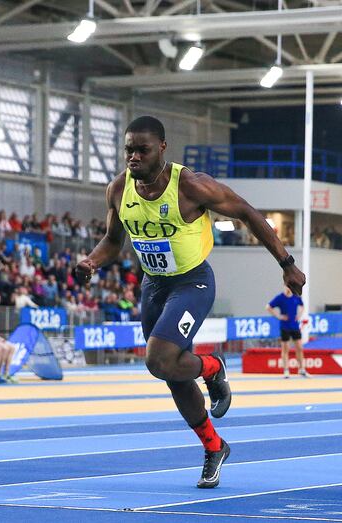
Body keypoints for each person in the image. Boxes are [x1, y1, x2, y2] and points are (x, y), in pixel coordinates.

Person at [75, 116, 305, 489]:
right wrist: (91, 261)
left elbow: (247, 211)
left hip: (192, 282)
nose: (133, 158)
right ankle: (214, 447)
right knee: (170, 371)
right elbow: (113, 241)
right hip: (154, 286)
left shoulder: (192, 186)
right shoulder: (118, 189)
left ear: (162, 149)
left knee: (158, 358)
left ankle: (213, 367)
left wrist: (287, 264)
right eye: (128, 150)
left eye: (142, 150)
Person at [266, 286, 310, 379]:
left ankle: (301, 369)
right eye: (287, 286)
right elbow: (268, 307)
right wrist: (278, 316)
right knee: (285, 349)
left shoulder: (296, 297)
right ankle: (286, 370)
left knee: (299, 347)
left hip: (295, 326)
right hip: (285, 327)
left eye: (290, 287)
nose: (289, 289)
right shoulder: (280, 298)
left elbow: (302, 306)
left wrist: (299, 315)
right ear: (284, 286)